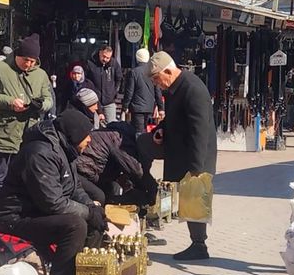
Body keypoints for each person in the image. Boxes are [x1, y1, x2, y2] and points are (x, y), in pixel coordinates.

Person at [0, 109, 108, 275]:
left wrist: (91, 207)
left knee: (95, 220)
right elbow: (52, 202)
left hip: (36, 211)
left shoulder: (63, 149)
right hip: (15, 218)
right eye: (86, 135)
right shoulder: (40, 154)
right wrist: (89, 212)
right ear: (74, 134)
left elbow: (74, 188)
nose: (90, 139)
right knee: (75, 225)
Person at [137, 51, 217, 260]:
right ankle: (197, 244)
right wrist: (162, 129)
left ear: (168, 71)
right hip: (184, 153)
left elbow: (200, 130)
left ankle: (199, 245)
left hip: (196, 157)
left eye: (157, 79)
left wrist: (196, 168)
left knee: (195, 199)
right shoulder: (175, 88)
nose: (157, 84)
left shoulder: (192, 88)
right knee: (190, 199)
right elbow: (174, 117)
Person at [0, 33, 53, 197]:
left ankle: (16, 217)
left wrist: (41, 105)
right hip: (4, 134)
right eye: (25, 60)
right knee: (0, 179)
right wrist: (10, 102)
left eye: (32, 61)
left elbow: (49, 99)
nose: (28, 64)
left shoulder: (40, 75)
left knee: (26, 180)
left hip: (30, 136)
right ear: (17, 55)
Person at [76, 122, 157, 206]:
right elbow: (137, 171)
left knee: (114, 189)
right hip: (82, 170)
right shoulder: (120, 141)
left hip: (92, 169)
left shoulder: (121, 136)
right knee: (100, 196)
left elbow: (123, 170)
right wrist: (152, 186)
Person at [122, 48, 164, 133]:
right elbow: (157, 91)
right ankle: (144, 145)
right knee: (146, 130)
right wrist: (161, 108)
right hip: (149, 107)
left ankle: (139, 145)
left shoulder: (133, 72)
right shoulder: (152, 71)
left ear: (137, 58)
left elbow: (129, 91)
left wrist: (125, 106)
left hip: (137, 107)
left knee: (138, 132)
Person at [85, 45, 122, 123]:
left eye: (108, 58)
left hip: (109, 100)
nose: (105, 59)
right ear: (100, 53)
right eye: (103, 56)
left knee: (111, 125)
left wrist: (114, 92)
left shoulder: (113, 63)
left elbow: (119, 78)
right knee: (95, 126)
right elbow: (86, 81)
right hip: (94, 100)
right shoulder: (90, 63)